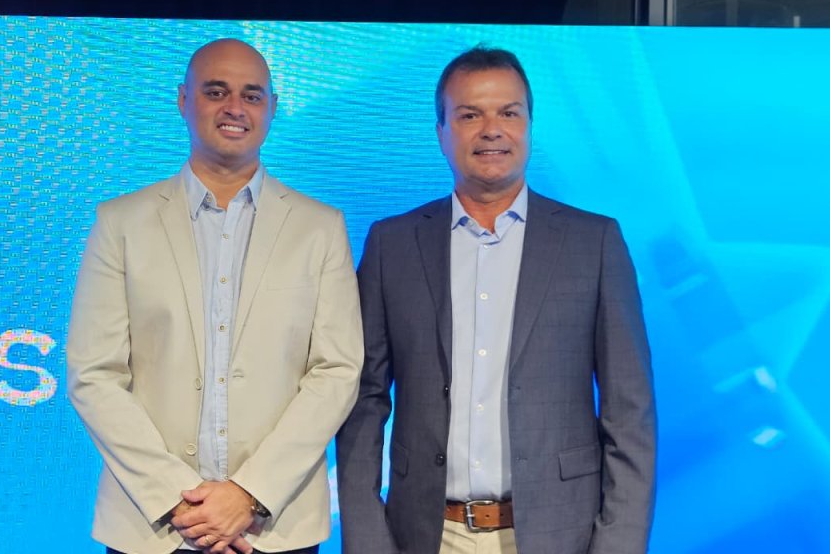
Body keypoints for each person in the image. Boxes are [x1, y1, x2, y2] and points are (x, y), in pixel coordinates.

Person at [336, 45, 657, 554]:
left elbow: (629, 411)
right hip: (427, 535)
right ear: (441, 132)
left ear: (529, 125)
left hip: (559, 536)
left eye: (509, 113)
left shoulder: (593, 242)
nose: (492, 130)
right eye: (470, 115)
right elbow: (364, 401)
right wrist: (369, 540)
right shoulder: (392, 244)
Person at [67, 38, 363, 554]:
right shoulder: (121, 223)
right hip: (154, 527)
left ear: (272, 107)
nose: (234, 108)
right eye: (216, 91)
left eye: (252, 95)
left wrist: (249, 493)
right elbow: (94, 373)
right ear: (184, 100)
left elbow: (336, 371)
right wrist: (177, 499)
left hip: (274, 527)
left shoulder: (320, 228)